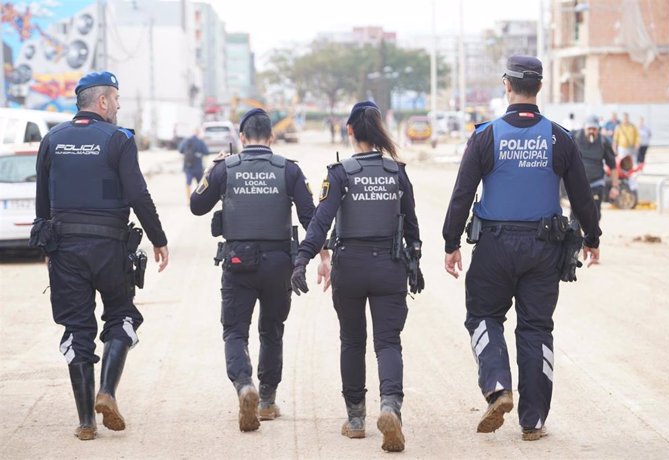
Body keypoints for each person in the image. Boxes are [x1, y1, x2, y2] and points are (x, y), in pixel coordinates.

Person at [442, 56, 601, 441]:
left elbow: (463, 193)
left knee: (483, 315)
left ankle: (498, 386)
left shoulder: (486, 136)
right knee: (535, 329)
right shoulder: (560, 138)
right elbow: (582, 197)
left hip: (495, 246)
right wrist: (593, 239)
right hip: (545, 249)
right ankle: (533, 421)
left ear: (506, 85)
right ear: (540, 88)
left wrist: (451, 243)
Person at [33, 71, 170, 440]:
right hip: (110, 248)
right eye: (117, 99)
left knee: (77, 329)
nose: (119, 106)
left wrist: (48, 247)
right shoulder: (118, 140)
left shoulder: (52, 140)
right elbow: (138, 195)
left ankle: (85, 422)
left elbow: (42, 203)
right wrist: (158, 238)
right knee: (122, 316)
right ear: (103, 102)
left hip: (65, 250)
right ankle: (107, 391)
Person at [291, 101, 422, 453]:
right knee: (388, 342)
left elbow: (321, 222)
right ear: (379, 130)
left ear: (350, 130)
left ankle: (356, 419)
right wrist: (416, 264)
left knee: (352, 341)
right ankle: (390, 407)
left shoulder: (340, 173)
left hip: (349, 266)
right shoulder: (397, 172)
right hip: (390, 267)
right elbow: (411, 225)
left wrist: (302, 259)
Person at [189, 108, 329, 432]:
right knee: (271, 329)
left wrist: (212, 166)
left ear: (241, 138)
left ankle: (243, 386)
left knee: (235, 331)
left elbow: (197, 206)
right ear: (271, 138)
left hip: (238, 262)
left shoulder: (225, 168)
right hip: (279, 262)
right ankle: (266, 401)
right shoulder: (289, 170)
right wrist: (323, 255)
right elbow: (311, 218)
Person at [571, 115, 620, 221]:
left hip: (596, 183)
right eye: (589, 129)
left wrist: (615, 187)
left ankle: (592, 237)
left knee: (594, 214)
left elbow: (613, 166)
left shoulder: (603, 141)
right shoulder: (574, 137)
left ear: (598, 129)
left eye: (594, 129)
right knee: (575, 216)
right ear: (584, 128)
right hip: (577, 184)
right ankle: (575, 237)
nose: (592, 131)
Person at [178, 128, 210, 201]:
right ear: (198, 133)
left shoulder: (185, 141)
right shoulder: (200, 142)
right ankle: (199, 200)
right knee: (200, 184)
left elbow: (180, 150)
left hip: (188, 166)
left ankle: (188, 200)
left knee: (188, 183)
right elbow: (207, 152)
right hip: (198, 167)